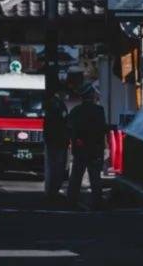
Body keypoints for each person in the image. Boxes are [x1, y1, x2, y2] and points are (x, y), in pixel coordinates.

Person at [67, 83, 107, 211]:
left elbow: (69, 128)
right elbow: (102, 129)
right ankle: (97, 202)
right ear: (92, 95)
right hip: (95, 149)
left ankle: (72, 201)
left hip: (80, 149)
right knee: (95, 177)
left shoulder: (76, 111)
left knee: (76, 176)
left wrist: (75, 141)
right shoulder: (99, 110)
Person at [43, 83, 71, 202]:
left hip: (52, 139)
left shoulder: (51, 103)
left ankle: (50, 190)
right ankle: (53, 191)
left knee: (52, 166)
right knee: (57, 167)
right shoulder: (57, 104)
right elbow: (62, 122)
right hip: (58, 140)